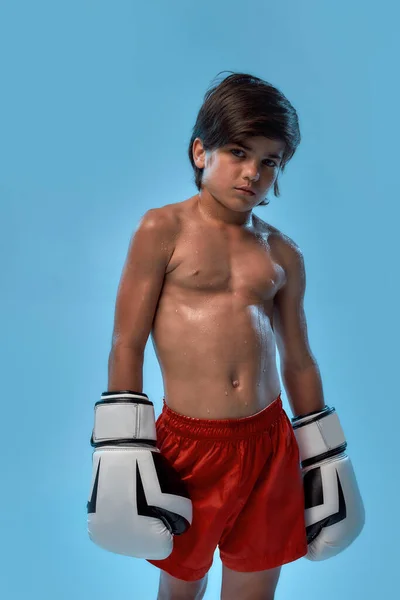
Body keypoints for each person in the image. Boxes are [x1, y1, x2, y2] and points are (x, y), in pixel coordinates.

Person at [87, 71, 365, 600]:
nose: (252, 172)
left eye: (269, 161)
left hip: (268, 444)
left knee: (255, 588)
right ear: (201, 152)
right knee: (181, 584)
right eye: (238, 152)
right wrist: (122, 445)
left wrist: (325, 455)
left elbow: (300, 360)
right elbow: (127, 341)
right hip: (189, 446)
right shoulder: (161, 230)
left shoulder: (282, 253)